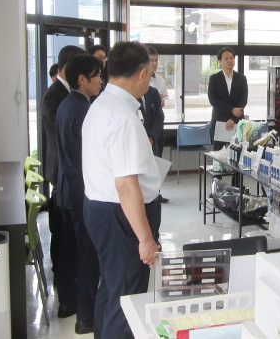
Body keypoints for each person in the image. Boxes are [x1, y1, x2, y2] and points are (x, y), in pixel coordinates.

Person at [82, 41, 161, 339]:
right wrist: (145, 238)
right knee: (127, 297)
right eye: (150, 75)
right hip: (122, 217)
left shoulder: (102, 104)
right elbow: (126, 186)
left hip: (102, 210)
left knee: (112, 288)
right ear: (141, 74)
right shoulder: (122, 116)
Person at [56, 55, 102, 334]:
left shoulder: (68, 104)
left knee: (72, 252)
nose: (101, 80)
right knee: (87, 256)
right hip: (80, 192)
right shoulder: (82, 110)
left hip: (68, 190)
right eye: (96, 75)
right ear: (82, 79)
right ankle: (86, 316)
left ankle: (72, 303)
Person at [41, 44, 85, 303]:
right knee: (62, 232)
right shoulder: (53, 96)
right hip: (62, 171)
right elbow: (64, 135)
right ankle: (62, 281)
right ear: (68, 68)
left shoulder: (67, 95)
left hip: (69, 171)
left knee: (67, 233)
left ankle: (66, 277)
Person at [207, 47, 248, 151]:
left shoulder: (241, 78)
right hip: (219, 121)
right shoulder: (214, 79)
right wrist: (231, 110)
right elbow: (213, 100)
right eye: (226, 58)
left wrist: (233, 118)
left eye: (232, 58)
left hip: (237, 121)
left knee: (237, 155)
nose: (230, 60)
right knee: (218, 156)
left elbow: (243, 100)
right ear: (220, 61)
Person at [139, 83, 169, 203]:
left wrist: (151, 137)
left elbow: (159, 117)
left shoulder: (153, 92)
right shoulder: (129, 94)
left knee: (154, 171)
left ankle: (156, 195)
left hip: (152, 140)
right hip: (138, 142)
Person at [148, 46, 167, 157]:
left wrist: (159, 102)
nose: (154, 63)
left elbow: (163, 102)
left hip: (157, 124)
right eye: (151, 60)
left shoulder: (160, 80)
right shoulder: (138, 81)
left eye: (156, 60)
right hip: (145, 124)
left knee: (157, 159)